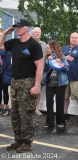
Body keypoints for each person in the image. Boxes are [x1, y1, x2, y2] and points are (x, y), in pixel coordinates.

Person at [0, 19, 43, 153]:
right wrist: (5, 33)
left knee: (26, 114)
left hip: (28, 82)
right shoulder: (14, 43)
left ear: (27, 28)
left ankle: (26, 142)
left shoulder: (33, 45)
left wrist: (37, 85)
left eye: (19, 27)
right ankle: (18, 140)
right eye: (15, 27)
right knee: (15, 114)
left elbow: (40, 66)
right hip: (15, 82)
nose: (17, 29)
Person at [42, 40, 69, 128]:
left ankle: (60, 122)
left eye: (48, 48)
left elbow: (66, 69)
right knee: (49, 101)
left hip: (60, 83)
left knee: (59, 102)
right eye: (46, 48)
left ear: (53, 48)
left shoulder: (62, 57)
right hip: (50, 83)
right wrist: (47, 62)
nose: (47, 49)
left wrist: (59, 63)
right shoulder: (46, 57)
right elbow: (44, 69)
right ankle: (49, 122)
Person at [32, 27, 47, 116]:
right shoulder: (29, 43)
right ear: (32, 34)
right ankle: (30, 108)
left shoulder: (44, 44)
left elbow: (46, 56)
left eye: (39, 32)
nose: (37, 34)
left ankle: (36, 108)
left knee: (37, 89)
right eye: (36, 32)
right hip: (30, 69)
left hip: (40, 70)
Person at [0, 28, 12, 116]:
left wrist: (1, 69)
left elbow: (8, 59)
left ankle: (5, 107)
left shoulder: (7, 46)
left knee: (5, 90)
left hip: (4, 71)